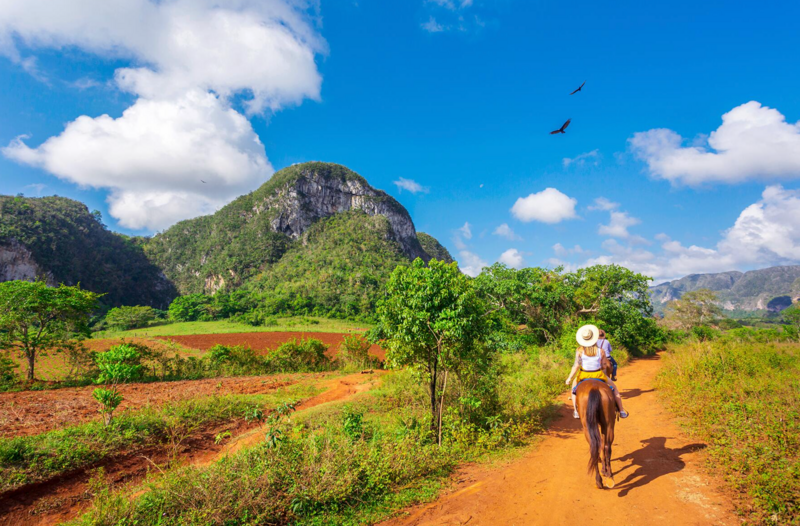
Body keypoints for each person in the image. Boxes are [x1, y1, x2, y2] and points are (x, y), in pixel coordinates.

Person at [565, 324, 628, 419]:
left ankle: (575, 411)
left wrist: (569, 378)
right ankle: (622, 410)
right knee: (614, 388)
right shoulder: (601, 351)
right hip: (598, 374)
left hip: (583, 375)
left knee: (574, 388)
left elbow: (576, 366)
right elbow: (603, 366)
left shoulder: (579, 350)